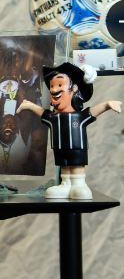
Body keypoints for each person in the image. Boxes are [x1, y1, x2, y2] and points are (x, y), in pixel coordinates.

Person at [18, 62, 120, 199]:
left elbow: (93, 111)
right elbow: (42, 112)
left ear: (75, 88)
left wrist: (107, 104)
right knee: (64, 165)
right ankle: (65, 184)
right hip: (60, 149)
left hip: (77, 149)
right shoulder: (53, 117)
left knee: (76, 164)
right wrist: (29, 105)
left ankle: (79, 184)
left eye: (60, 85)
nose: (54, 90)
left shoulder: (80, 117)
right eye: (52, 86)